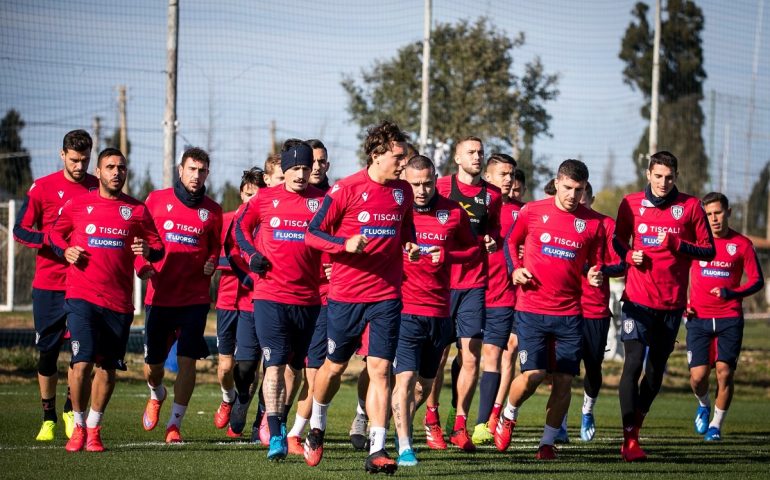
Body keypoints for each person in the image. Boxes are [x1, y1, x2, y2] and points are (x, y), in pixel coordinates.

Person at [303, 120, 418, 474]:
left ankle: (378, 449)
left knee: (381, 369)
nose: (404, 162)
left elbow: (406, 229)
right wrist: (344, 244)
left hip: (386, 295)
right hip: (347, 295)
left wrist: (410, 246)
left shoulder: (404, 192)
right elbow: (312, 234)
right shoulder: (346, 188)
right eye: (398, 156)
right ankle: (317, 426)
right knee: (335, 367)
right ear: (377, 153)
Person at [47, 148, 164, 452]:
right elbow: (54, 235)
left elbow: (157, 246)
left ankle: (95, 428)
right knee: (81, 362)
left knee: (107, 369)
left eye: (121, 167)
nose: (116, 172)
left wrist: (146, 255)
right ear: (97, 172)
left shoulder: (137, 210)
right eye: (110, 167)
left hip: (119, 302)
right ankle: (78, 425)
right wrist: (65, 251)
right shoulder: (77, 204)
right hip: (81, 296)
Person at [494, 159, 605, 460]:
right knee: (534, 374)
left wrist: (594, 273)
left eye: (579, 190)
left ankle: (547, 443)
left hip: (570, 313)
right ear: (557, 183)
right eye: (568, 188)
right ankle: (508, 414)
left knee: (564, 380)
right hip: (531, 309)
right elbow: (510, 242)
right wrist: (515, 270)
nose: (573, 195)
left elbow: (595, 263)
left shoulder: (593, 224)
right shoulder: (532, 211)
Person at [613, 151, 715, 461]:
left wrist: (678, 245)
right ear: (648, 175)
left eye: (669, 178)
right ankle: (629, 439)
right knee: (631, 364)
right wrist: (629, 256)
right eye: (658, 176)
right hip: (636, 300)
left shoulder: (691, 206)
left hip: (671, 305)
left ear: (676, 177)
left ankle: (637, 426)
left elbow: (709, 250)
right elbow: (617, 241)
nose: (663, 182)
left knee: (655, 373)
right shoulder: (630, 203)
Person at [235, 142, 325, 460]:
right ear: (284, 170)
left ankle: (281, 422)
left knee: (293, 368)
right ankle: (275, 435)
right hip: (270, 296)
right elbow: (240, 229)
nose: (301, 174)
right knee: (272, 365)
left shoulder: (322, 202)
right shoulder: (264, 198)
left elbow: (337, 236)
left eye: (306, 168)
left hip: (309, 300)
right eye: (295, 168)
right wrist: (252, 255)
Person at [392, 155, 479, 466]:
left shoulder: (454, 212)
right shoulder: (396, 210)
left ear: (435, 179)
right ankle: (404, 445)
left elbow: (473, 249)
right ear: (406, 180)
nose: (421, 189)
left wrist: (448, 254)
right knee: (404, 379)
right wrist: (402, 251)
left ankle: (400, 425)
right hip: (404, 310)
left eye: (427, 183)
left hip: (440, 313)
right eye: (415, 184)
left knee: (424, 386)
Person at [13, 129, 98, 441]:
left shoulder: (97, 187)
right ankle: (47, 416)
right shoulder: (43, 188)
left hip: (85, 285)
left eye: (85, 160)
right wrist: (49, 239)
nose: (80, 166)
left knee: (83, 355)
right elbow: (19, 231)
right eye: (74, 160)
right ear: (62, 155)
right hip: (49, 284)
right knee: (48, 353)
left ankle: (68, 410)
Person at [139, 147, 223, 443]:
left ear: (207, 174)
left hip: (195, 299)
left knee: (188, 361)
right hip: (159, 296)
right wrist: (142, 265)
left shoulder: (213, 211)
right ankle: (156, 393)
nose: (196, 176)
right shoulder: (156, 200)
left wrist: (212, 262)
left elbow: (215, 246)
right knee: (153, 367)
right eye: (191, 169)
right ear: (180, 169)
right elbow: (139, 239)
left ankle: (174, 425)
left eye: (202, 171)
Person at [427, 136, 501, 452]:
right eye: (470, 152)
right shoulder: (441, 187)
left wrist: (491, 240)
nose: (477, 156)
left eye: (480, 152)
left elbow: (495, 231)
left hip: (473, 283)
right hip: (441, 283)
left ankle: (460, 426)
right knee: (439, 356)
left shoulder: (493, 194)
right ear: (457, 157)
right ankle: (431, 420)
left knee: (470, 355)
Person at [686, 192, 763, 441]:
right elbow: (675, 272)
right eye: (708, 214)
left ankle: (716, 425)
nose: (713, 219)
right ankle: (704, 404)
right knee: (698, 378)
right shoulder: (695, 243)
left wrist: (733, 292)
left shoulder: (742, 245)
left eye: (718, 213)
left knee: (724, 373)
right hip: (698, 318)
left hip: (730, 317)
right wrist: (682, 302)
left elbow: (756, 281)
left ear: (729, 212)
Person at [286, 139, 334, 454]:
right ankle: (269, 421)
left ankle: (301, 433)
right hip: (289, 297)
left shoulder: (333, 199)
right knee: (285, 369)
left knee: (318, 370)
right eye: (308, 163)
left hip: (327, 300)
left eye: (319, 162)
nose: (314, 168)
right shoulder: (282, 197)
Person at [569, 181, 625, 442]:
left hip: (595, 310)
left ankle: (587, 411)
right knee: (562, 370)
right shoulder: (560, 222)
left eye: (582, 198)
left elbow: (622, 265)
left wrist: (601, 271)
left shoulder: (606, 225)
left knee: (592, 367)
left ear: (590, 199)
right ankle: (557, 423)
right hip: (564, 307)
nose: (576, 201)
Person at [475, 153, 524, 445]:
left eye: (511, 174)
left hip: (504, 297)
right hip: (470, 292)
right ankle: (453, 413)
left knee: (499, 355)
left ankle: (488, 419)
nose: (508, 179)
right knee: (460, 359)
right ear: (489, 177)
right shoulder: (474, 206)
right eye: (503, 174)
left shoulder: (525, 212)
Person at [212, 168, 265, 432]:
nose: (250, 200)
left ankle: (246, 407)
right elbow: (215, 257)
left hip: (254, 303)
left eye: (255, 195)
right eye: (246, 194)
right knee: (224, 367)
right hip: (226, 301)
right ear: (241, 193)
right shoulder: (227, 221)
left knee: (249, 363)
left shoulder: (266, 224)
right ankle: (227, 398)